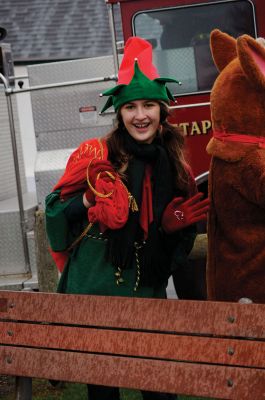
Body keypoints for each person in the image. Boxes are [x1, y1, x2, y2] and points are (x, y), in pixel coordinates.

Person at [45, 36, 209, 400]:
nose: (140, 115)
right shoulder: (95, 155)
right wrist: (88, 200)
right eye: (131, 106)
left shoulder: (177, 168)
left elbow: (178, 247)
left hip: (147, 292)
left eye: (149, 104)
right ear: (119, 113)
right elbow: (54, 211)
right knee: (103, 391)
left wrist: (167, 232)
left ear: (162, 111)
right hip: (96, 291)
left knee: (161, 387)